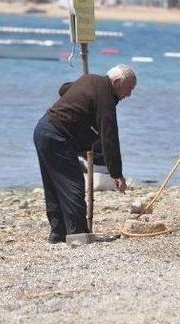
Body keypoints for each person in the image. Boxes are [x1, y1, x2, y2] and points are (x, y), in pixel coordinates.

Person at [33, 64, 136, 243]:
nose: (129, 94)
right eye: (129, 88)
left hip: (43, 129)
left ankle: (58, 233)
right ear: (117, 82)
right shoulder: (106, 98)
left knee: (53, 186)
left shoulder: (89, 79)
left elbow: (63, 88)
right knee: (73, 186)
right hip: (58, 137)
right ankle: (77, 234)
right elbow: (109, 137)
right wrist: (116, 173)